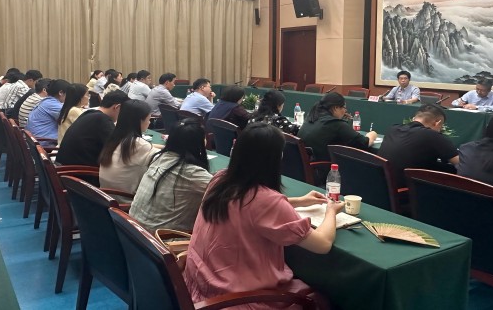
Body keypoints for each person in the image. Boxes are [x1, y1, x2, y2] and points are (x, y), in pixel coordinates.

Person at [184, 122, 343, 308]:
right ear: (274, 158)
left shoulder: (220, 179)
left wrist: (299, 201)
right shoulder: (267, 201)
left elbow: (247, 208)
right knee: (320, 299)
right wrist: (331, 212)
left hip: (200, 287)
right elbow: (323, 244)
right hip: (236, 299)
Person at [129, 118, 212, 233]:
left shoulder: (158, 158)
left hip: (132, 229)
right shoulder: (193, 173)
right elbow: (224, 193)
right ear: (199, 142)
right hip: (160, 239)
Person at [377, 104, 459, 188]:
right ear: (437, 123)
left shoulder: (392, 129)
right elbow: (460, 162)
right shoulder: (433, 136)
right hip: (405, 191)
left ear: (414, 119)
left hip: (379, 186)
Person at [98, 100, 160, 193]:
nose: (149, 123)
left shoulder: (115, 137)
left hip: (104, 194)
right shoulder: (141, 146)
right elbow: (162, 158)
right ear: (140, 121)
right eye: (148, 119)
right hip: (125, 199)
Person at [298, 92, 377, 164]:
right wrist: (372, 135)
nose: (345, 111)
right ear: (336, 108)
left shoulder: (311, 117)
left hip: (305, 167)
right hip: (324, 169)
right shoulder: (336, 123)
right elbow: (364, 143)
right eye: (344, 108)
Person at [56, 90, 129, 166]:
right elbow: (118, 148)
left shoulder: (89, 113)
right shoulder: (102, 120)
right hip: (77, 170)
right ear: (117, 107)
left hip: (65, 166)